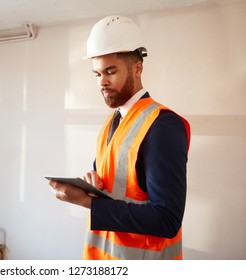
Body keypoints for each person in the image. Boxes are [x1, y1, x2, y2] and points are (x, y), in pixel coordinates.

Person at [48, 15, 191, 260]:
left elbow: (167, 220)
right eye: (97, 74)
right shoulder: (111, 122)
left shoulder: (163, 124)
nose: (102, 82)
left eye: (110, 71)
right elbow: (115, 182)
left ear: (137, 68)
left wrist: (88, 203)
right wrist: (92, 183)